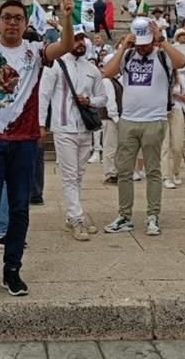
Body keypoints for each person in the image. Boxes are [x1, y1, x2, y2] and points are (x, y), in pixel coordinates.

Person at [0, 0, 75, 303]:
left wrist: (67, 17)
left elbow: (64, 47)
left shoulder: (35, 51)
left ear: (25, 23)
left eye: (17, 18)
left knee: (20, 208)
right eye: (6, 17)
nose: (11, 22)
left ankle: (12, 269)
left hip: (24, 141)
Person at [101, 17, 185, 236]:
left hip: (154, 119)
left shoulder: (161, 55)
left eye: (146, 43)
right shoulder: (129, 55)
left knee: (153, 170)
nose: (143, 47)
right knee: (124, 171)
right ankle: (125, 215)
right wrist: (123, 47)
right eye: (140, 44)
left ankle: (153, 215)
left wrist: (162, 40)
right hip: (129, 119)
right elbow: (107, 72)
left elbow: (181, 62)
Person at [38, 25, 106, 242]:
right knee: (69, 175)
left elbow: (102, 98)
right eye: (75, 39)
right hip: (63, 126)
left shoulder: (91, 69)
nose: (79, 44)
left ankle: (72, 215)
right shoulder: (56, 64)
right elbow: (44, 95)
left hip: (85, 127)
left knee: (78, 174)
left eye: (82, 40)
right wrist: (40, 124)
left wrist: (90, 101)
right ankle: (76, 218)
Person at [161, 69, 185, 189]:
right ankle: (165, 176)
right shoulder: (159, 76)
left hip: (177, 110)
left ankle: (176, 171)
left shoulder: (181, 78)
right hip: (162, 112)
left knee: (178, 146)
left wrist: (176, 95)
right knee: (164, 146)